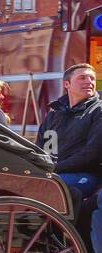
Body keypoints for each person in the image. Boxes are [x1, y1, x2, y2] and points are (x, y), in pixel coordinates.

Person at [36, 63, 102, 202]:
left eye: (92, 78)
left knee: (49, 187)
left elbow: (91, 154)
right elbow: (41, 148)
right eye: (82, 78)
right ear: (67, 84)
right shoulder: (54, 114)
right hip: (52, 172)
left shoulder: (98, 111)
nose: (89, 82)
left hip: (85, 175)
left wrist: (54, 168)